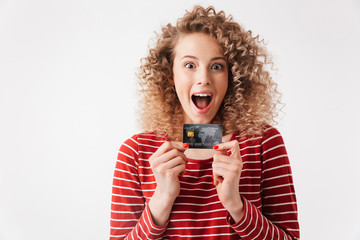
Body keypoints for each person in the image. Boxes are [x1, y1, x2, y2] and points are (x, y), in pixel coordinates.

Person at [110, 5, 300, 240]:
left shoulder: (264, 143)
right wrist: (162, 199)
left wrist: (237, 205)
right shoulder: (135, 153)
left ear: (232, 76)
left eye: (217, 66)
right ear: (171, 75)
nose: (203, 79)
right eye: (190, 65)